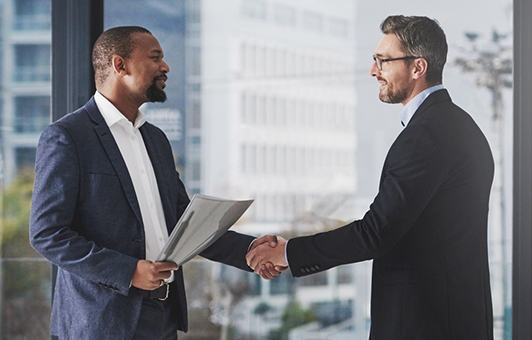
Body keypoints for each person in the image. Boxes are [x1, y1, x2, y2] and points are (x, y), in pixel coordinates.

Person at [246, 15, 495, 339]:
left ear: (417, 67)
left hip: (423, 326)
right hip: (456, 321)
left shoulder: (425, 136)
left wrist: (287, 252)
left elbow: (375, 233)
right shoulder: (460, 126)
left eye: (383, 61)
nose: (373, 70)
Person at [29, 26, 280, 340]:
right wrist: (128, 272)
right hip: (99, 324)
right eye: (155, 57)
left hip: (162, 317)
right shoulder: (67, 136)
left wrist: (249, 250)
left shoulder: (156, 140)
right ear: (120, 66)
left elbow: (183, 224)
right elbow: (47, 233)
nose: (166, 67)